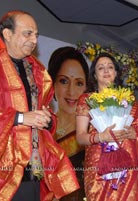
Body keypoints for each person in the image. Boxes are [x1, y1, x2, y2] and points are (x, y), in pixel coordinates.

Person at [0, 10, 79, 201]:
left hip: (31, 171)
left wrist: (48, 121)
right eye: (28, 33)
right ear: (7, 34)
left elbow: (48, 113)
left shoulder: (38, 71)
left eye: (36, 35)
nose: (34, 40)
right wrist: (21, 117)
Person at [76, 52, 138, 200]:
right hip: (98, 167)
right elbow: (80, 137)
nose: (106, 70)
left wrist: (135, 134)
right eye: (101, 68)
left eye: (110, 67)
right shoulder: (87, 100)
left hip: (129, 166)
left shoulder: (129, 101)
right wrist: (101, 137)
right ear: (95, 75)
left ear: (116, 72)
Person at [48, 46, 89, 201]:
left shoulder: (94, 130)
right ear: (52, 85)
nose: (71, 92)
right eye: (64, 81)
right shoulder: (42, 130)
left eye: (78, 83)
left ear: (86, 87)